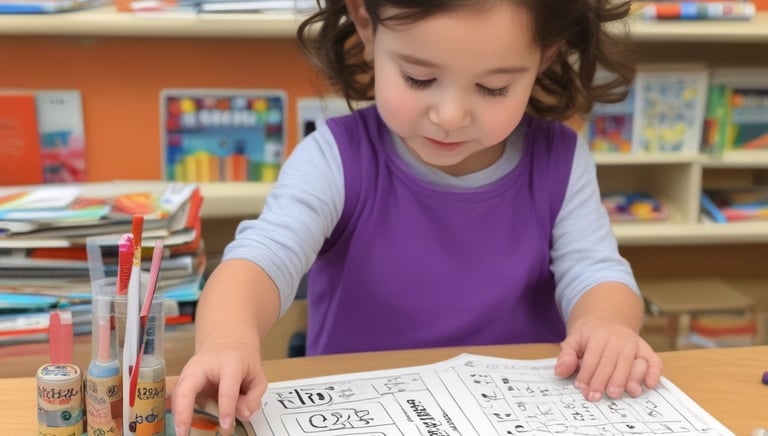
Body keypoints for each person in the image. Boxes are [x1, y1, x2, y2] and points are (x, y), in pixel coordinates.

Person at [172, 0, 664, 434]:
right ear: (366, 24)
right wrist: (227, 339)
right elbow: (260, 260)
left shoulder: (561, 161)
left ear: (547, 54)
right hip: (367, 414)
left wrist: (605, 326)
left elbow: (596, 271)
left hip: (518, 413)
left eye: (493, 87)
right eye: (419, 78)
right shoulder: (335, 159)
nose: (450, 115)